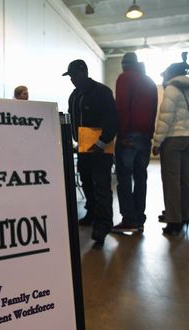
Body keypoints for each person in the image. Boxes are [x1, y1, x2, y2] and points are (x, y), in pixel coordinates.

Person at [63, 59, 117, 244]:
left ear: (84, 72)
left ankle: (103, 224)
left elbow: (112, 119)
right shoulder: (74, 95)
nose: (72, 80)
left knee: (102, 185)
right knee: (86, 181)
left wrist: (101, 142)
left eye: (74, 75)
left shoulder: (102, 92)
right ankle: (92, 212)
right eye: (70, 77)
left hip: (102, 147)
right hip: (84, 146)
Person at [111, 52, 158, 233]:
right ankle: (139, 218)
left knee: (124, 178)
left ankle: (129, 220)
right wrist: (150, 134)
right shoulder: (150, 82)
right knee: (141, 178)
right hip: (145, 137)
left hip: (129, 136)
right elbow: (153, 110)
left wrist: (121, 134)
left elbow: (122, 108)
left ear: (124, 64)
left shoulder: (124, 78)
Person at [152, 62, 189, 235]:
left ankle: (174, 221)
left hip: (173, 139)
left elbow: (165, 118)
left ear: (171, 74)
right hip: (188, 138)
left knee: (171, 182)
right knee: (184, 179)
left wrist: (157, 142)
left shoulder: (171, 90)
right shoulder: (188, 89)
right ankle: (185, 215)